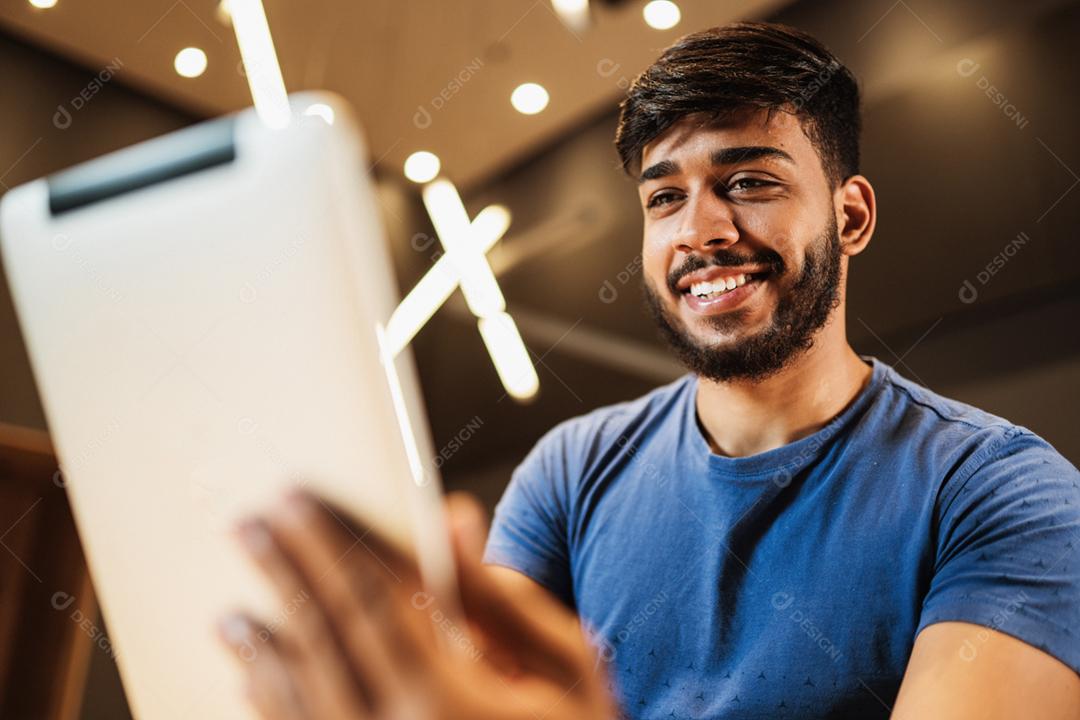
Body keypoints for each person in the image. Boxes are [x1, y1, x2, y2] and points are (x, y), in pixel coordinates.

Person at [219, 21, 1080, 719]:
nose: (699, 232)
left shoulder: (1004, 493)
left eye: (749, 182)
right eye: (665, 197)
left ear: (850, 216)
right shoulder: (570, 471)